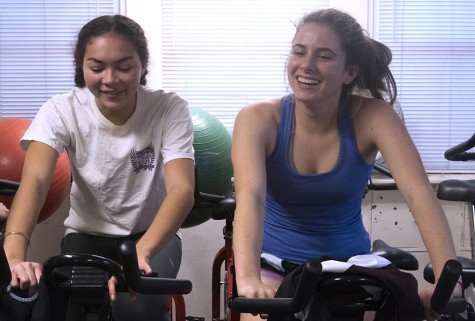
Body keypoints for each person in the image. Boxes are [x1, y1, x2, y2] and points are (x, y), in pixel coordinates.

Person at [231, 8, 461, 321]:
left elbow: (418, 193)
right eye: (299, 51)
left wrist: (451, 282)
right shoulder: (257, 119)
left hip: (349, 265)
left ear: (349, 71)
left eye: (324, 56)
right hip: (274, 263)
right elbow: (251, 197)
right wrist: (247, 279)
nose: (306, 65)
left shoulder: (374, 116)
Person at [2, 14, 195, 321]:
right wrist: (14, 256)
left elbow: (182, 190)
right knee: (67, 310)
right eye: (96, 67)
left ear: (143, 65)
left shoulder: (169, 108)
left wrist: (140, 254)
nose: (110, 79)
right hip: (86, 233)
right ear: (82, 66)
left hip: (150, 234)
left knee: (135, 308)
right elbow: (36, 182)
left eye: (124, 67)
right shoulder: (60, 109)